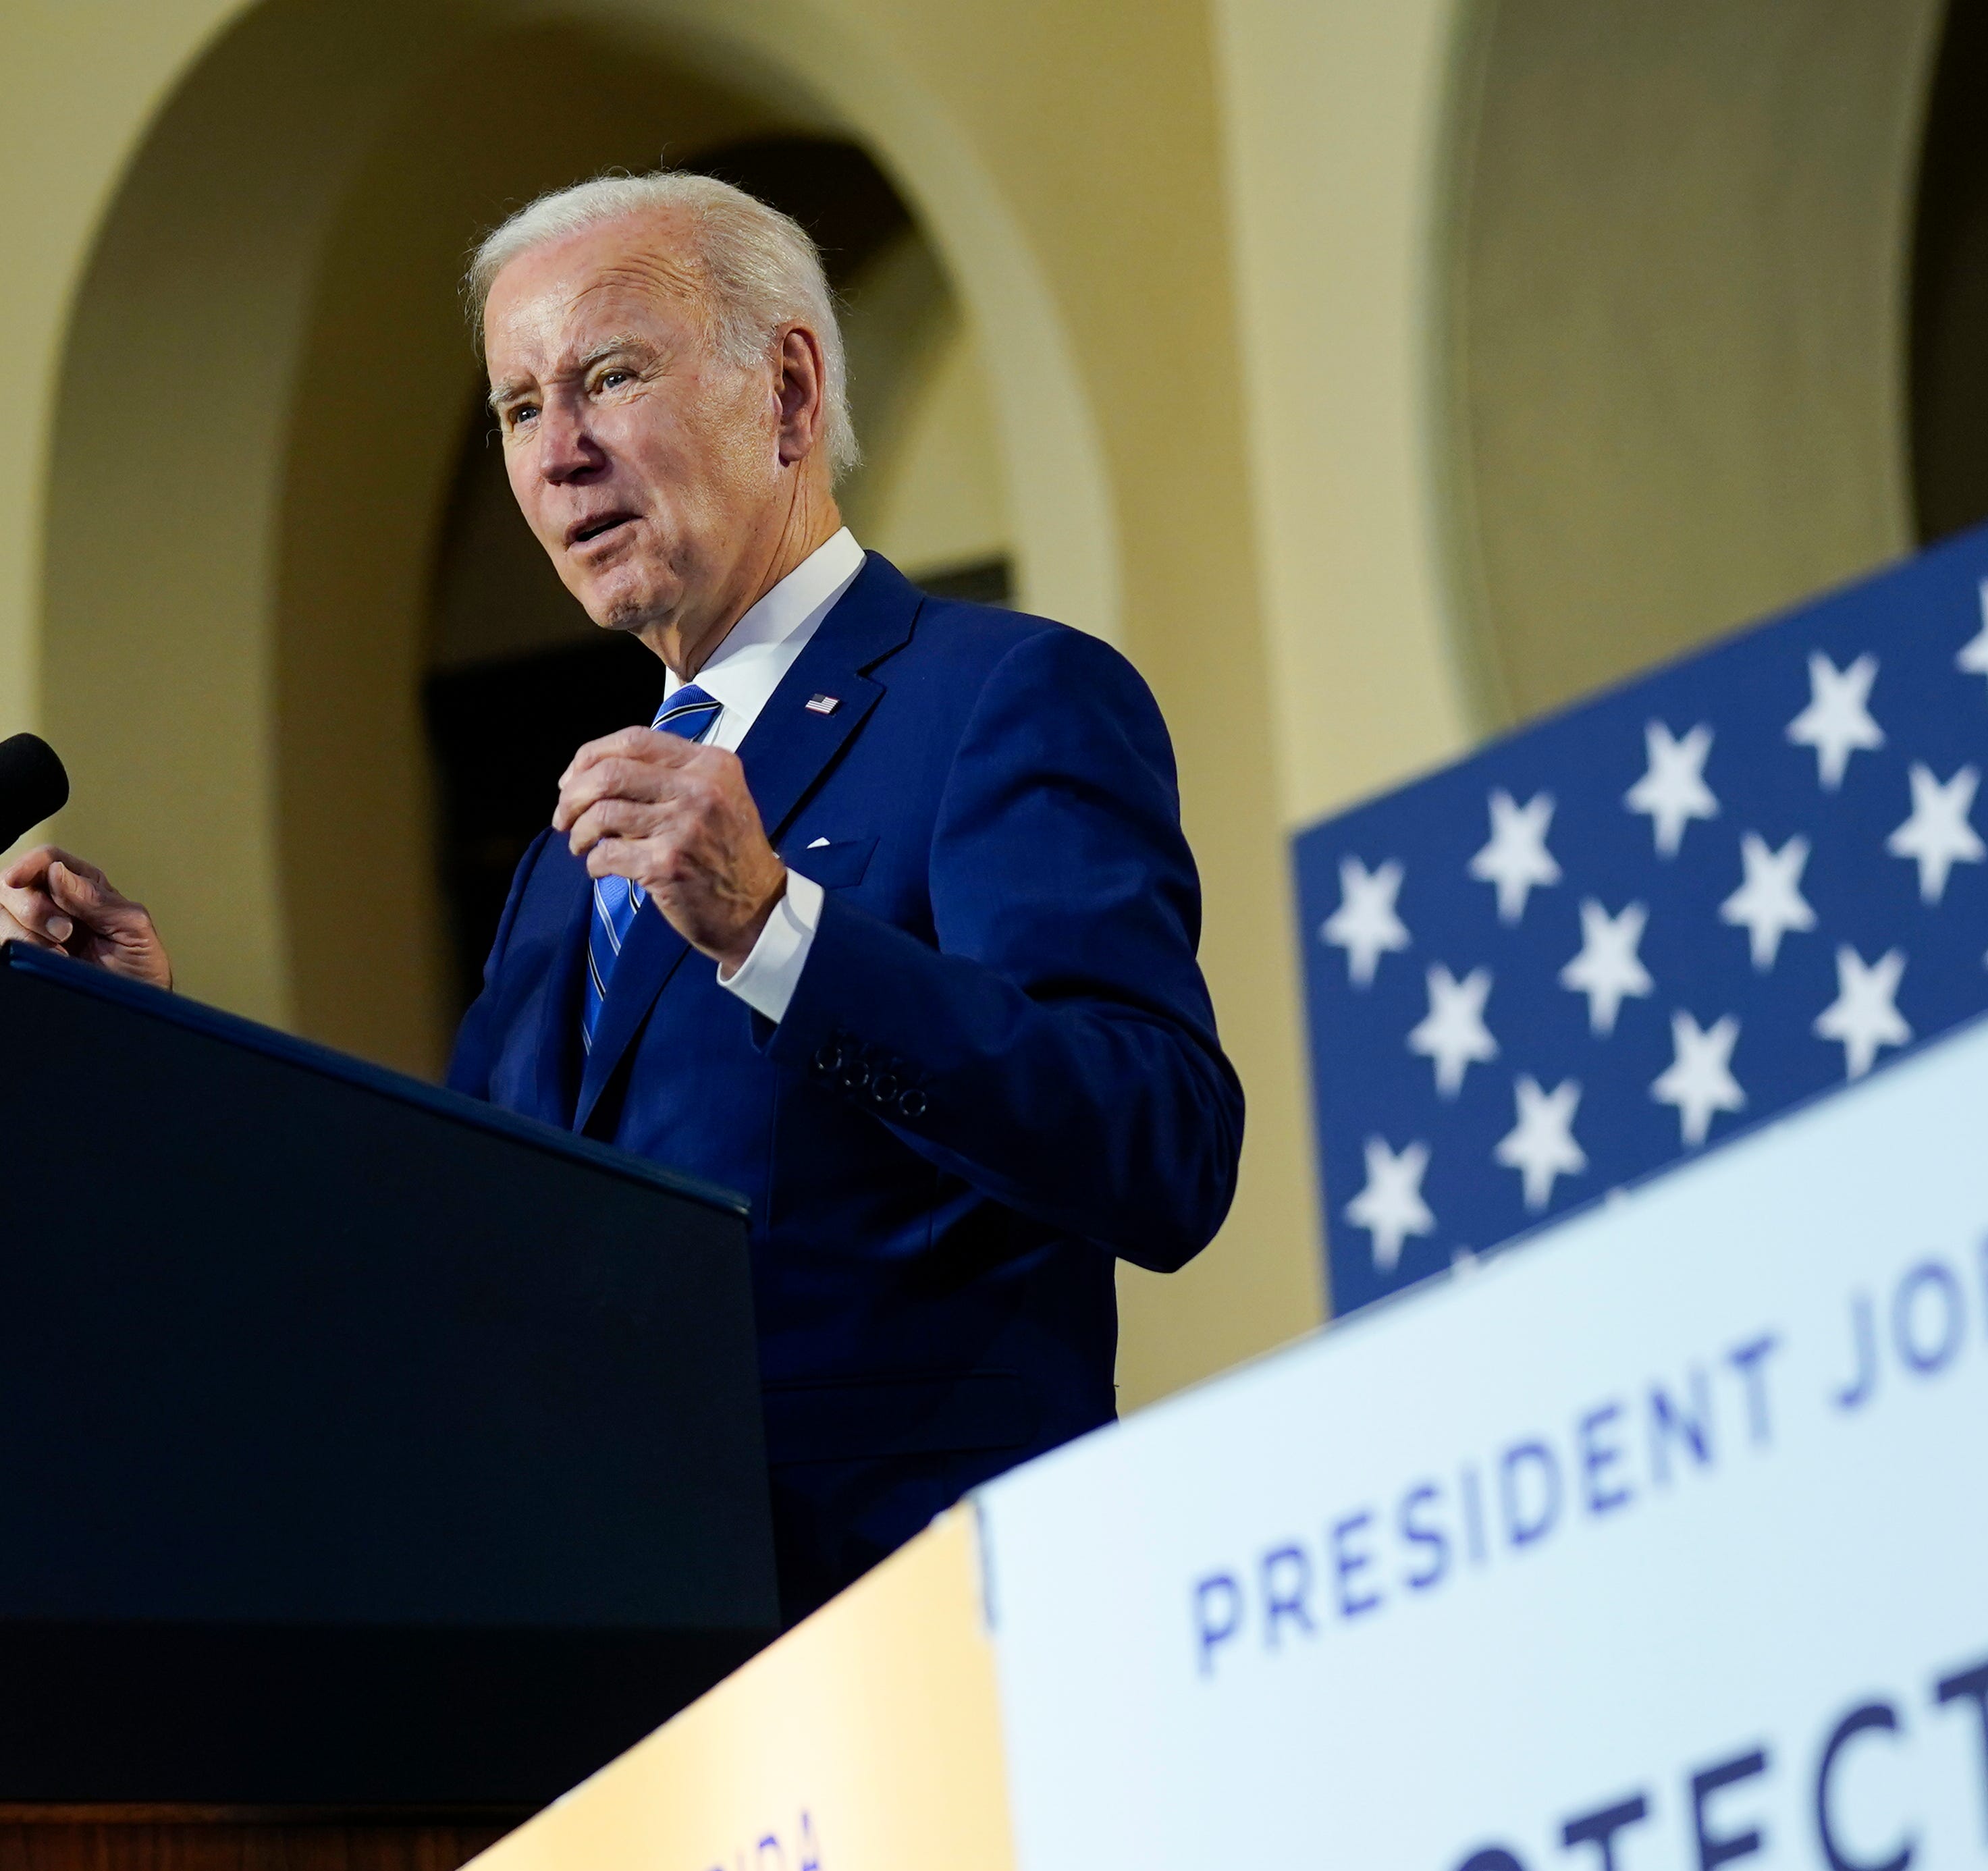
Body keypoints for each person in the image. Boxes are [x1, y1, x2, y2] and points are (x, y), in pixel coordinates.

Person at [1, 173, 1243, 1619]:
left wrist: (776, 930)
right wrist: (157, 1054)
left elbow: (1157, 1143)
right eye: (520, 409)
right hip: (615, 1672)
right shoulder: (566, 860)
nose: (559, 455)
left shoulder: (1000, 699)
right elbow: (460, 1245)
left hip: (917, 1630)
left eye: (607, 376)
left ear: (785, 390)